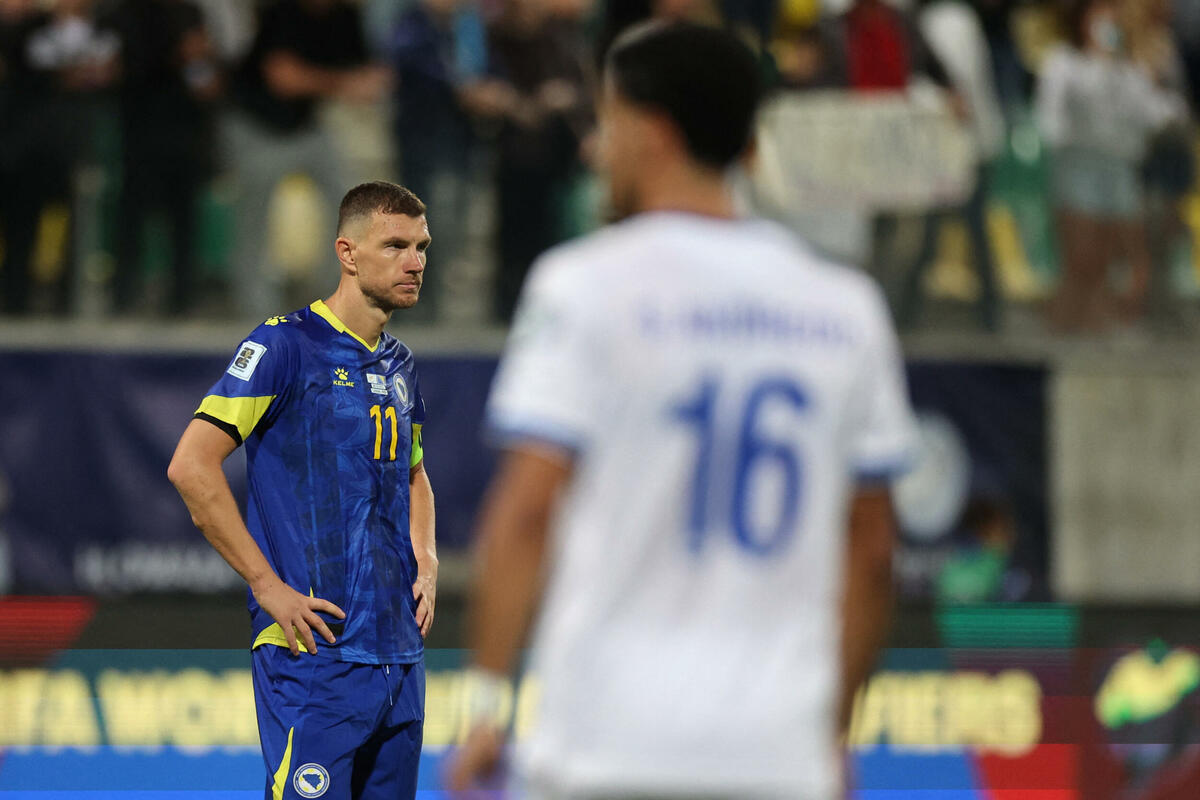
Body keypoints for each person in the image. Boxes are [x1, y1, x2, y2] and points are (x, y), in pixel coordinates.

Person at [448, 22, 917, 800]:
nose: (598, 150)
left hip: (608, 743)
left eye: (608, 121)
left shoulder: (583, 286)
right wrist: (827, 734)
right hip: (775, 754)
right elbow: (872, 552)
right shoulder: (848, 309)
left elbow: (525, 514)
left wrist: (489, 707)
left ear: (652, 131)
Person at [168, 181, 437, 800]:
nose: (414, 261)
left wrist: (426, 556)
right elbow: (192, 465)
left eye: (422, 246)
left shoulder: (400, 364)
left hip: (399, 658)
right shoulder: (284, 346)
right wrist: (266, 586)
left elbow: (417, 474)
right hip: (315, 655)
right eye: (395, 245)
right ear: (347, 252)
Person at [225, 0, 391, 318]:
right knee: (255, 210)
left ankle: (334, 295)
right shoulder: (281, 13)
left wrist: (351, 82)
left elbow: (372, 76)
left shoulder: (345, 17)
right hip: (258, 125)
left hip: (306, 127)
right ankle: (252, 304)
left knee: (351, 200)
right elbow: (283, 79)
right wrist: (341, 83)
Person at [107, 0, 221, 315]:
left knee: (183, 217)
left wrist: (199, 61)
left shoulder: (191, 13)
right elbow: (127, 69)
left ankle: (182, 298)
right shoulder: (123, 14)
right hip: (141, 129)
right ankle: (124, 296)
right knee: (133, 216)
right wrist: (178, 55)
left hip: (184, 131)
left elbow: (205, 77)